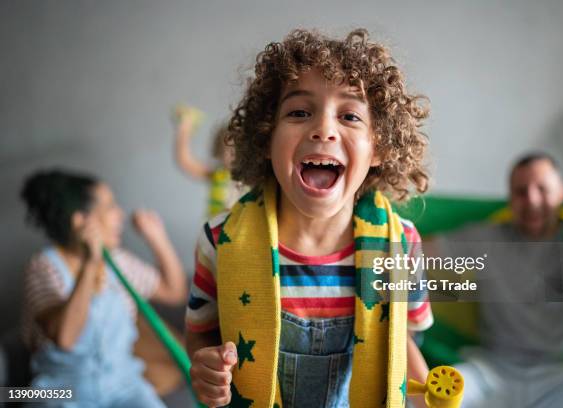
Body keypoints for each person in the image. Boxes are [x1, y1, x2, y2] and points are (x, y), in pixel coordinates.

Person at [185, 28, 435, 408]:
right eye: (299, 112)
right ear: (267, 138)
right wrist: (204, 368)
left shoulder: (401, 244)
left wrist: (434, 395)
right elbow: (200, 334)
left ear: (380, 148)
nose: (323, 129)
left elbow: (402, 341)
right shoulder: (219, 240)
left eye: (350, 115)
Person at [434, 153, 563, 408]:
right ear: (509, 198)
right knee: (432, 398)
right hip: (490, 372)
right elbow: (414, 251)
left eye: (542, 188)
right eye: (520, 191)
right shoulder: (486, 239)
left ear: (561, 192)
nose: (532, 200)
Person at [20, 169, 188, 408]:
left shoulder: (117, 261)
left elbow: (175, 292)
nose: (120, 214)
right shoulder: (43, 266)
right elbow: (66, 339)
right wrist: (90, 263)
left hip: (123, 385)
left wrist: (157, 237)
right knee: (16, 396)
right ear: (80, 221)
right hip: (61, 390)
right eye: (110, 206)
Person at [173, 105, 243, 217]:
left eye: (239, 148)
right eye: (229, 149)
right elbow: (185, 161)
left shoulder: (254, 181)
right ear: (219, 151)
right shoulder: (217, 175)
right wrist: (185, 127)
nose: (234, 154)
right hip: (214, 232)